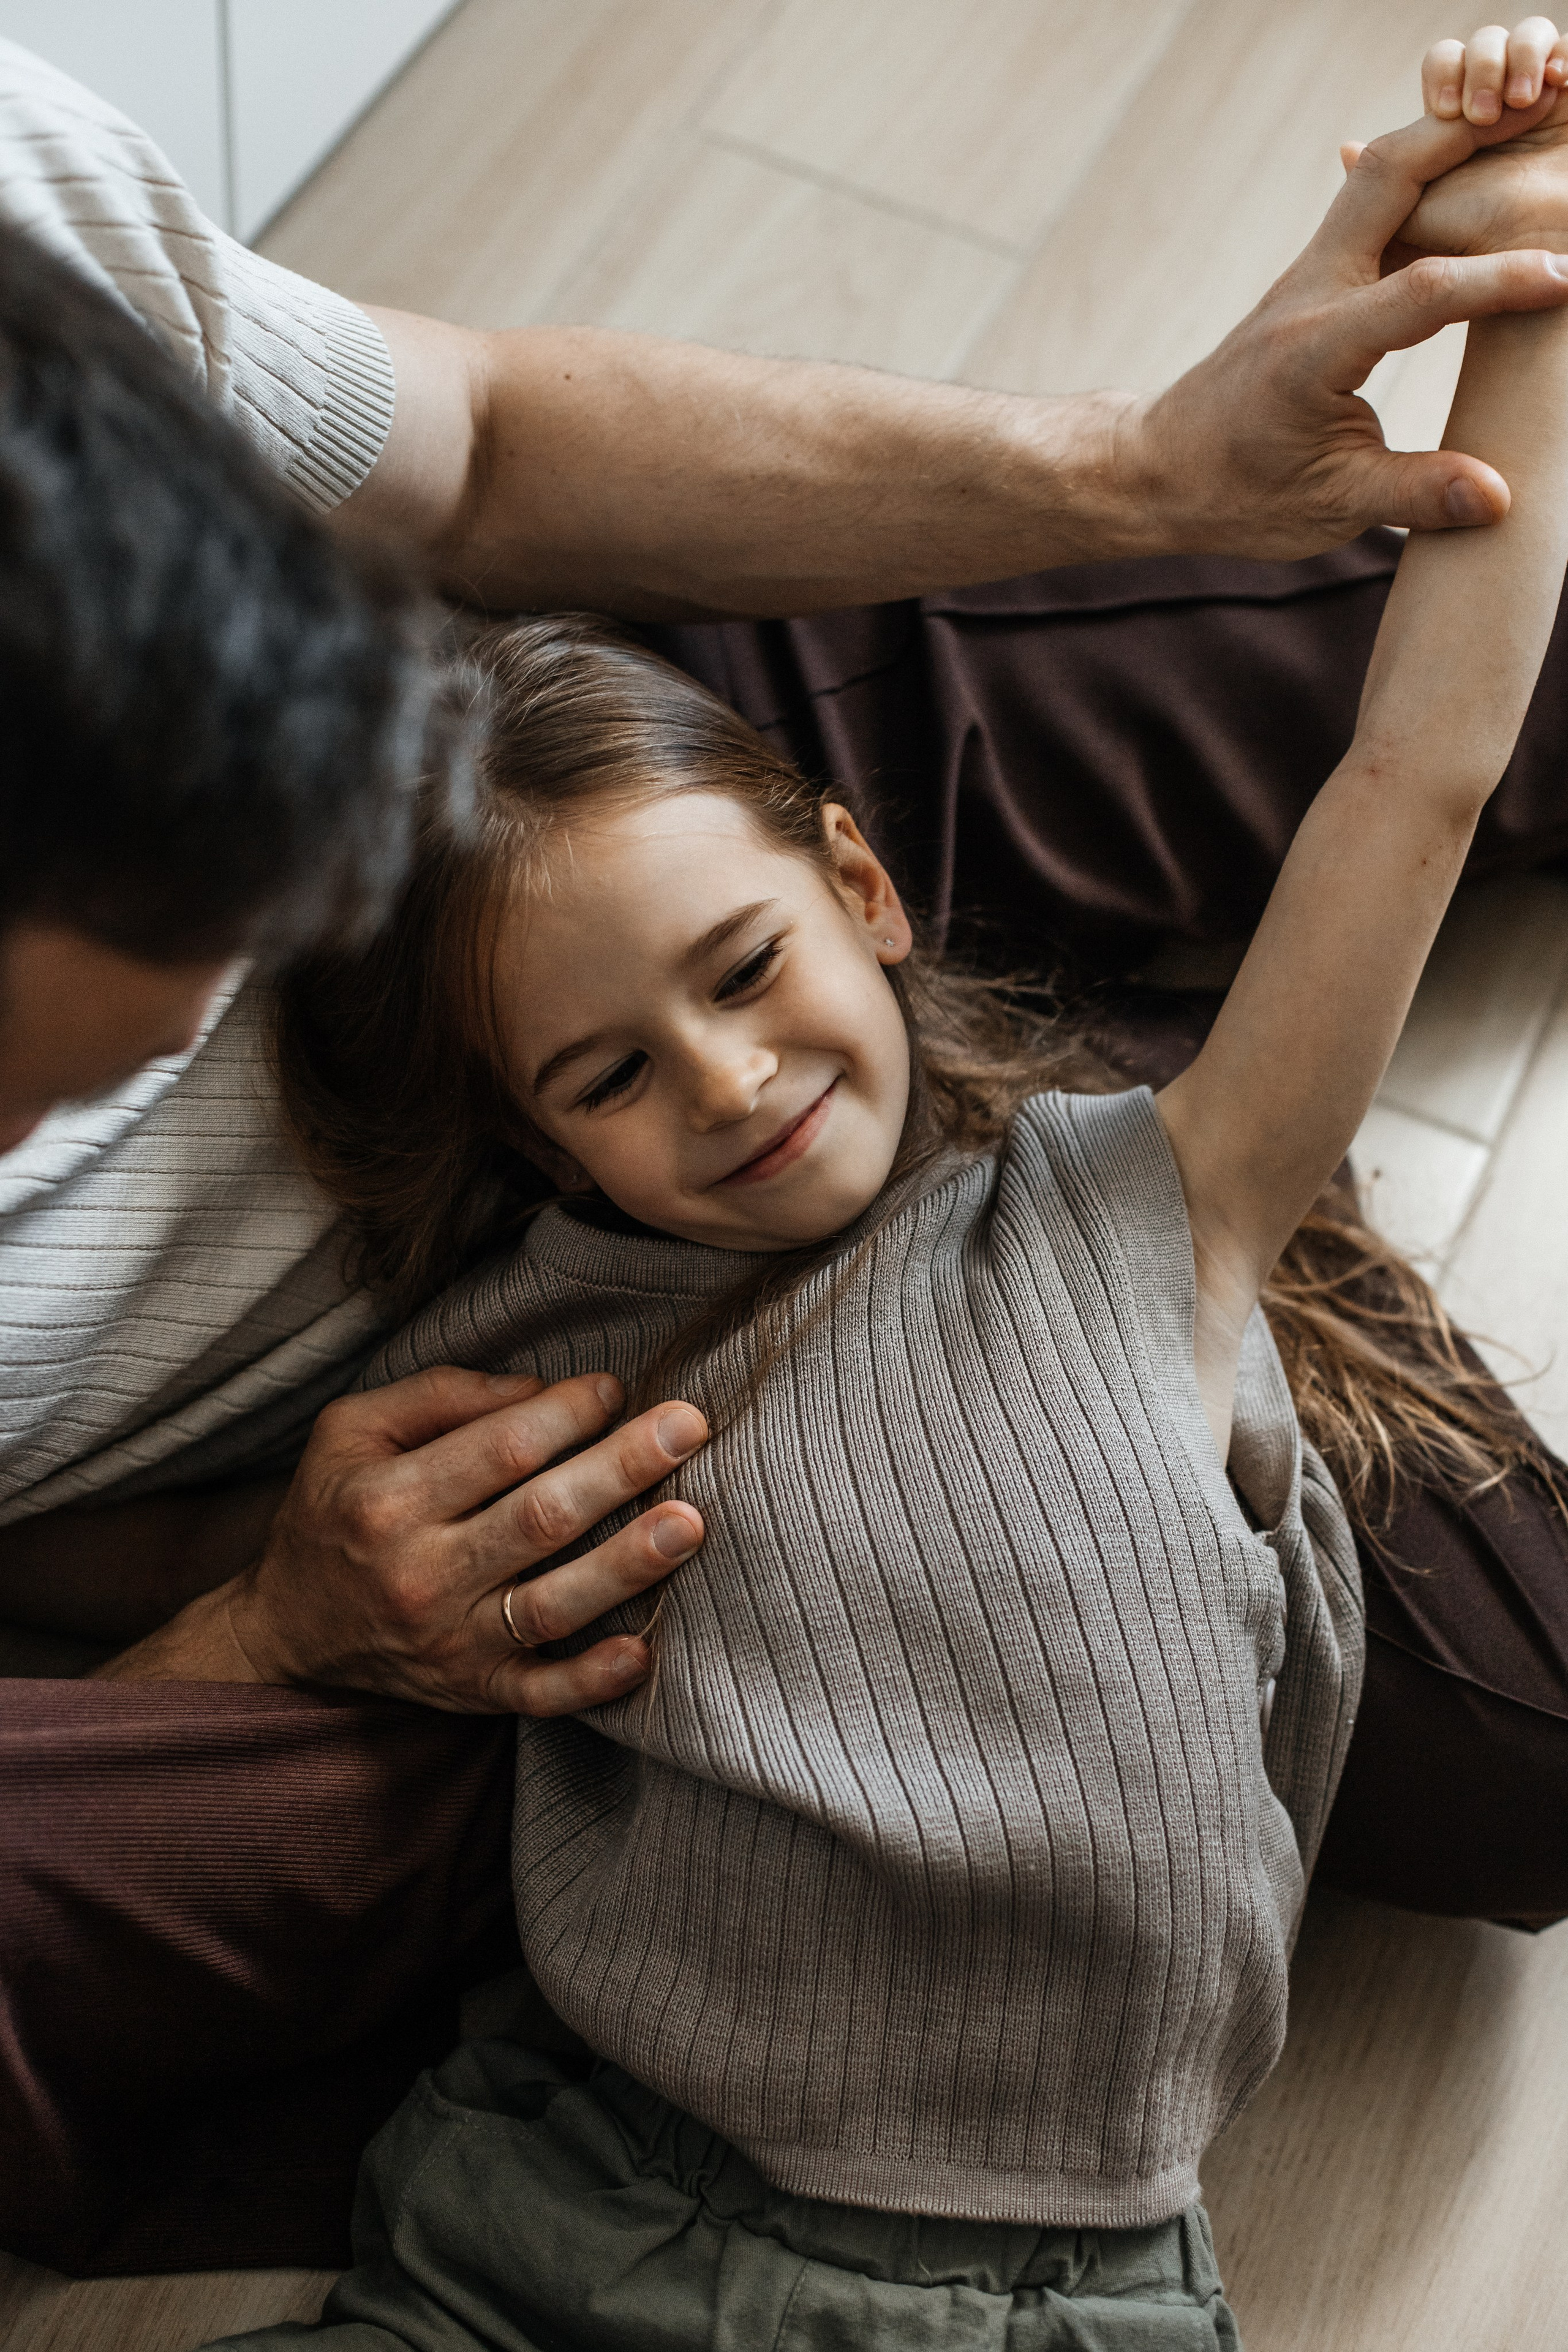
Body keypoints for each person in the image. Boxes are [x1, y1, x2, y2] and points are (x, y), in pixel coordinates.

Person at [4, 15, 1568, 2278]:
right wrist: (263, 1621)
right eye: (622, 1084)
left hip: (591, 811)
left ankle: (1028, 1085)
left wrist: (1479, 311)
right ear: (535, 1150)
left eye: (749, 991)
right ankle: (1018, 1085)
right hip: (592, 2168)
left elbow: (1413, 763)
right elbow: (151, 1546)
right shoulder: (524, 1344)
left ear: (853, 879)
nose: (727, 1089)